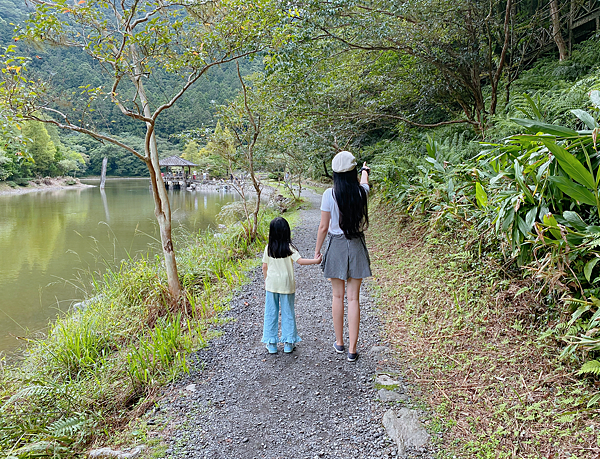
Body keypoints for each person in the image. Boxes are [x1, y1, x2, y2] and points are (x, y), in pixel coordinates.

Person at [314, 150, 371, 362]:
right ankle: (353, 350)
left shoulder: (329, 194)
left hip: (336, 246)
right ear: (353, 170)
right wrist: (365, 170)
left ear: (335, 174)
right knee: (354, 298)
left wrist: (318, 250)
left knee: (337, 296)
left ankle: (339, 343)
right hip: (356, 244)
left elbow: (323, 227)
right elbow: (364, 181)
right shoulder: (361, 193)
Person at [262, 217, 322, 354]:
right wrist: (316, 260)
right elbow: (300, 261)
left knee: (271, 312)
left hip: (271, 285)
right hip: (286, 285)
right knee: (288, 311)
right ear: (286, 232)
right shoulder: (289, 247)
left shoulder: (269, 248)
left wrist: (266, 280)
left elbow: (264, 266)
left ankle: (271, 343)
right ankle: (288, 343)